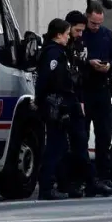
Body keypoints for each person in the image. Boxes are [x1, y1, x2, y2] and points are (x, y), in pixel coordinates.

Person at [78, 1, 112, 196]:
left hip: (103, 90)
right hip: (85, 91)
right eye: (93, 23)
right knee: (81, 137)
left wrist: (108, 66)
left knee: (104, 137)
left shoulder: (107, 35)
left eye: (99, 23)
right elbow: (75, 59)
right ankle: (84, 179)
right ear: (87, 17)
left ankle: (104, 177)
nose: (96, 26)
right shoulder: (80, 35)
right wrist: (89, 63)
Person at [35, 19, 79, 201]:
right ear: (59, 34)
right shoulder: (53, 53)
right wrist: (41, 101)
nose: (69, 37)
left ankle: (58, 184)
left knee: (60, 146)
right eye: (67, 34)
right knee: (55, 146)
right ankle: (46, 187)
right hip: (55, 104)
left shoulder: (60, 52)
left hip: (60, 103)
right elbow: (46, 79)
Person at [57, 11, 94, 197]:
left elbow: (80, 74)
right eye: (77, 30)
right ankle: (67, 183)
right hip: (66, 101)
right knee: (65, 146)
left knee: (80, 142)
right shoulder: (61, 47)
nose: (80, 34)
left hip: (78, 99)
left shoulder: (79, 45)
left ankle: (84, 182)